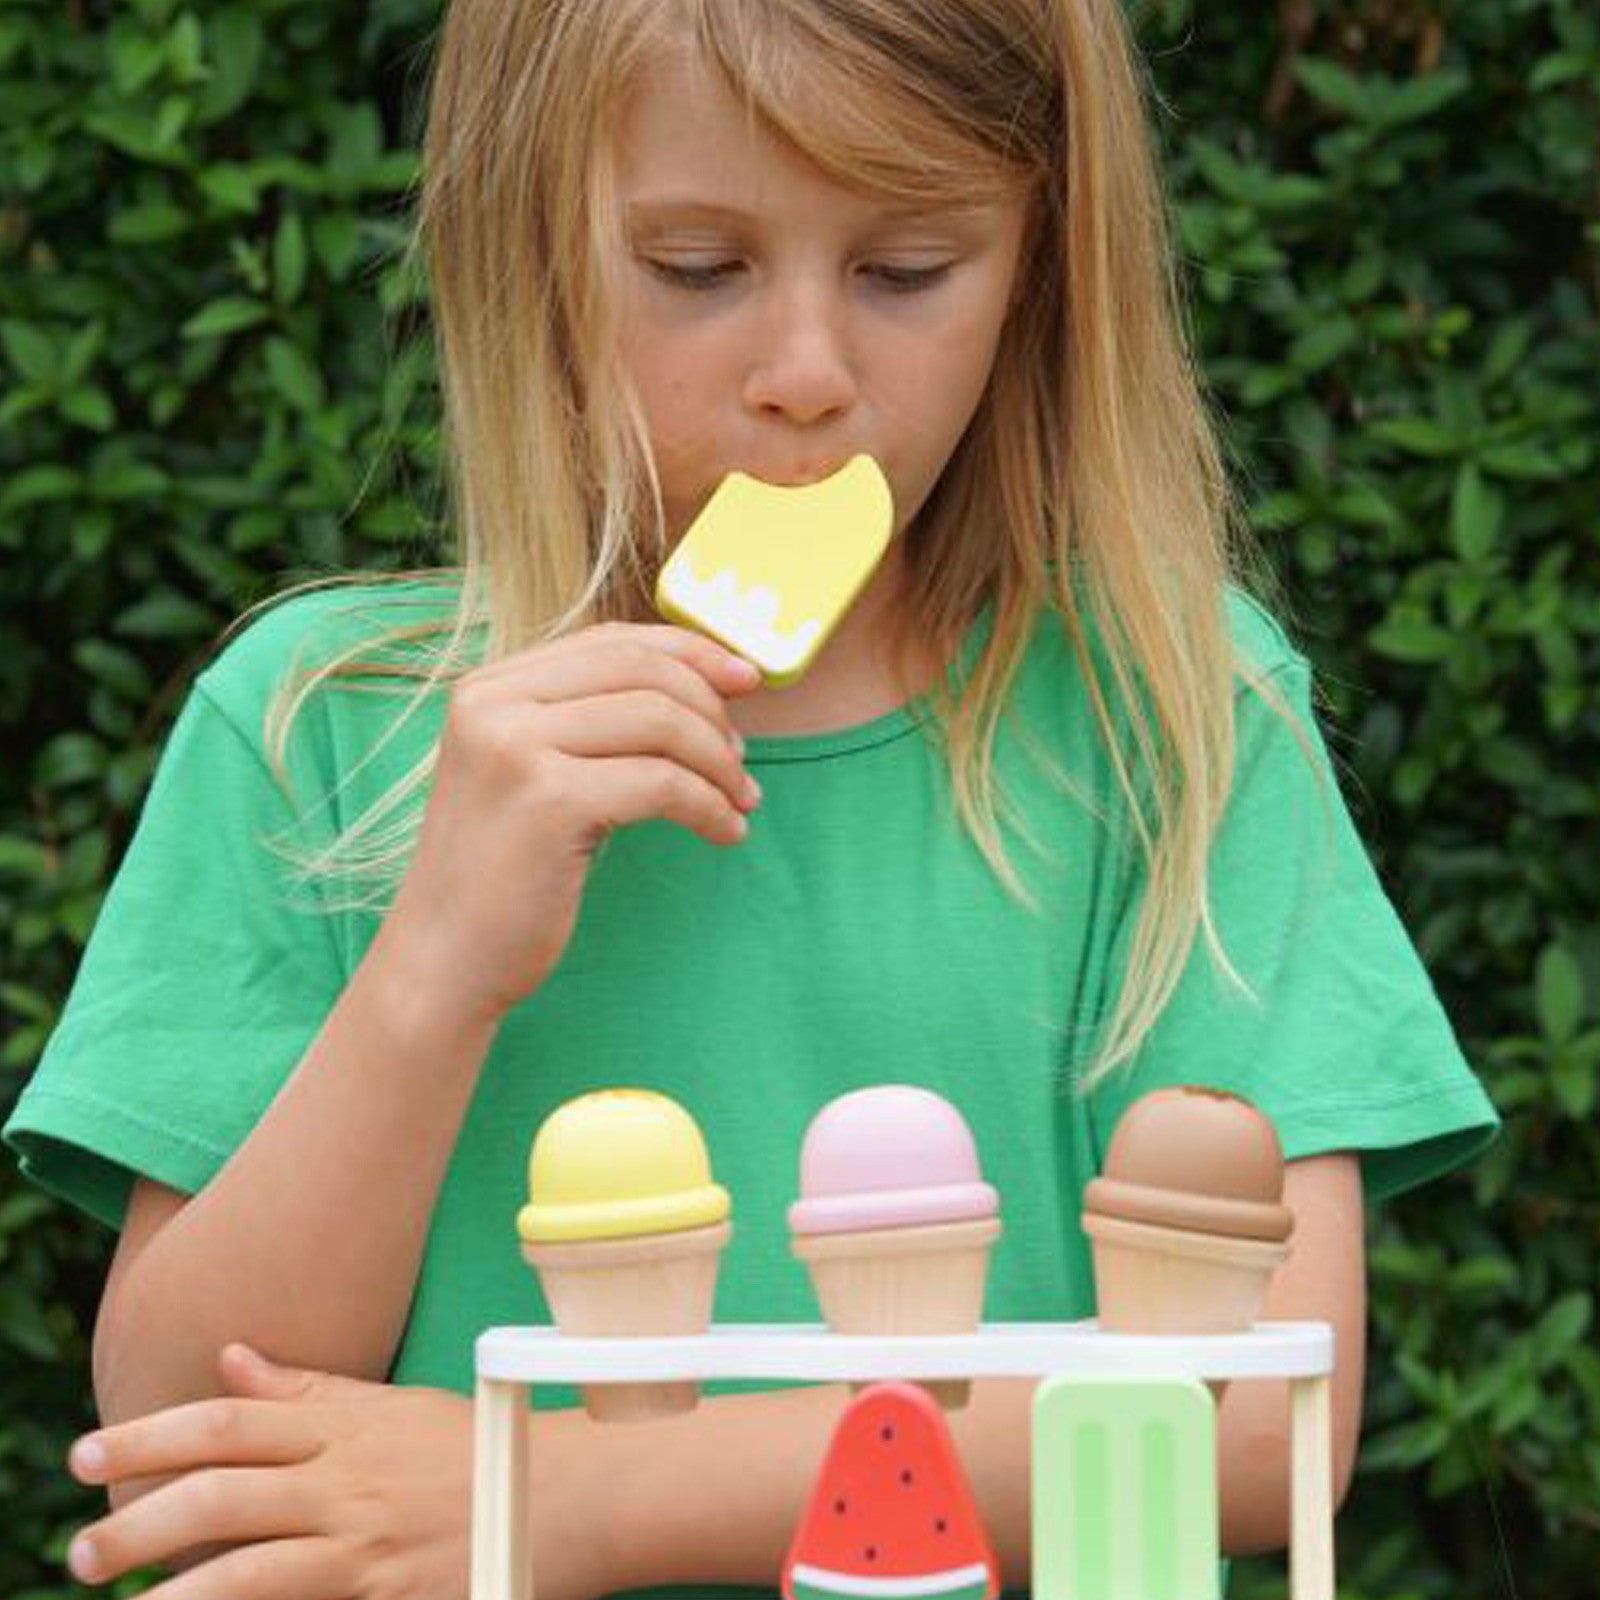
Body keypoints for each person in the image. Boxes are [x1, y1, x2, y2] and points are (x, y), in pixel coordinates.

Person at [4, 2, 1499, 1597]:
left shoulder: (1175, 715)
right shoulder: (319, 729)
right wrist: (433, 963)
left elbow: (1259, 1421)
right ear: (529, 249)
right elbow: (180, 1443)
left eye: (907, 270)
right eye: (698, 268)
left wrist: (564, 1500)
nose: (806, 376)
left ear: (1042, 270)